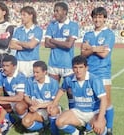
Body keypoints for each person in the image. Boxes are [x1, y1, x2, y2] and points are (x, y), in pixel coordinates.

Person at [48, 55, 107, 135]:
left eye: (81, 67)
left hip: (93, 113)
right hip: (77, 112)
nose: (78, 70)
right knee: (59, 122)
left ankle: (105, 130)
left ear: (86, 68)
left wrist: (100, 120)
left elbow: (104, 99)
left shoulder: (94, 80)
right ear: (72, 69)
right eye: (75, 67)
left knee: (99, 128)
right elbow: (62, 90)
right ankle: (78, 133)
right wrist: (54, 103)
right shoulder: (69, 79)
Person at [81, 7, 115, 135]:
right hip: (89, 72)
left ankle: (109, 127)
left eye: (100, 17)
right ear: (92, 18)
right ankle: (90, 125)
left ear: (105, 19)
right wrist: (96, 48)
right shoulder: (87, 34)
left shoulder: (109, 34)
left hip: (102, 72)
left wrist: (90, 48)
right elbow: (82, 54)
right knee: (90, 100)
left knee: (106, 101)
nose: (97, 19)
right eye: (95, 17)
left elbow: (104, 54)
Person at [45, 1, 79, 110]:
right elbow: (46, 43)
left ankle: (73, 114)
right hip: (53, 64)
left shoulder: (73, 25)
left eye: (57, 10)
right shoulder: (51, 25)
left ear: (64, 11)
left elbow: (69, 45)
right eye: (54, 11)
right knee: (53, 92)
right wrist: (62, 42)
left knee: (70, 92)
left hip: (68, 64)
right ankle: (53, 116)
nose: (55, 13)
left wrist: (53, 40)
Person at [19, 61, 60, 133]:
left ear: (45, 72)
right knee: (25, 122)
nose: (35, 74)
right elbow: (26, 97)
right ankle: (43, 126)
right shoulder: (29, 80)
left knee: (53, 110)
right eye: (34, 72)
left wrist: (38, 106)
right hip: (37, 110)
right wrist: (31, 102)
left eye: (37, 72)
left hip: (49, 108)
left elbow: (54, 102)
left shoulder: (53, 82)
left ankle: (54, 131)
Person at [9, 6, 43, 77]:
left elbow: (31, 45)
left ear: (31, 15)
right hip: (19, 61)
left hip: (32, 61)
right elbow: (11, 45)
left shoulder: (37, 30)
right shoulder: (18, 30)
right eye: (21, 15)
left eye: (24, 15)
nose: (21, 17)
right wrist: (27, 46)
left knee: (32, 84)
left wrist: (18, 42)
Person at [0, 55, 26, 120]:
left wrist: (0, 98)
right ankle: (10, 119)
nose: (4, 68)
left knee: (19, 107)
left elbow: (19, 97)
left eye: (7, 66)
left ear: (14, 67)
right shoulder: (1, 74)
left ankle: (23, 119)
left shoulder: (20, 77)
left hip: (23, 101)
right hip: (11, 99)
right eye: (3, 66)